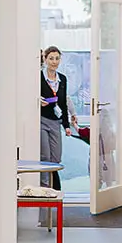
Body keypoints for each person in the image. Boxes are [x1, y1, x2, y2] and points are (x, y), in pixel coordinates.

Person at [39, 46, 72, 199]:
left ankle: (53, 188)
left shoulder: (62, 79)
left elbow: (63, 103)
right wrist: (38, 101)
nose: (54, 62)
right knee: (45, 157)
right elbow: (31, 96)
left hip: (56, 122)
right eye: (51, 58)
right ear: (45, 59)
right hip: (42, 120)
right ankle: (45, 190)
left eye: (57, 58)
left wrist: (66, 125)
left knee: (56, 158)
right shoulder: (39, 77)